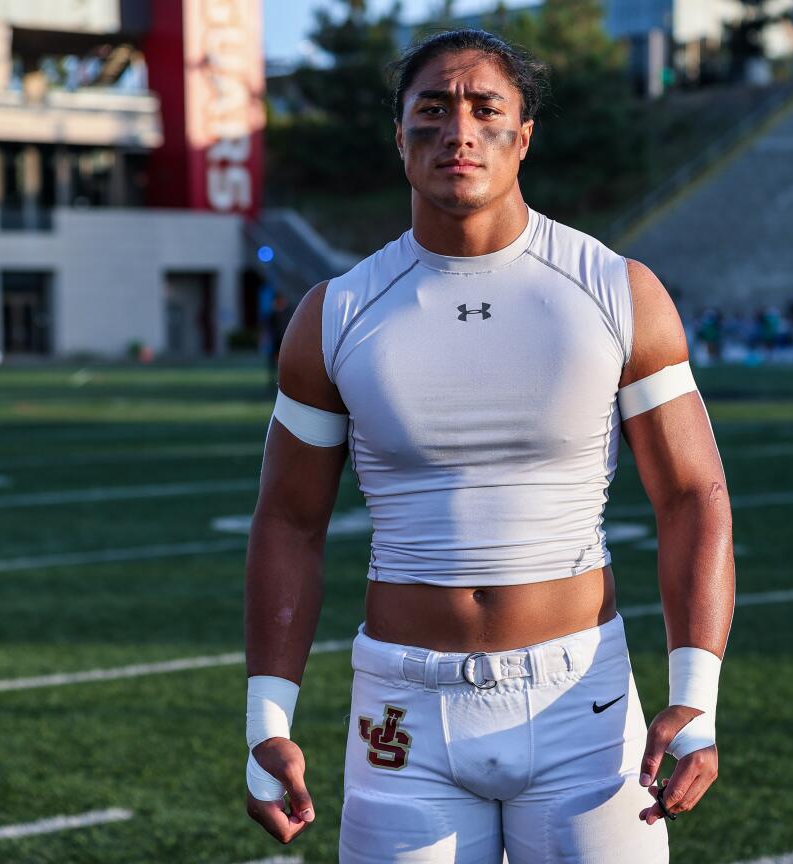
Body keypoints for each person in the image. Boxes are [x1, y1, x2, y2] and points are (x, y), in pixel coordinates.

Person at [242, 29, 735, 863]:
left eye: (484, 109)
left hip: (581, 700)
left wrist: (698, 695)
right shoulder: (336, 313)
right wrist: (265, 720)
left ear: (523, 134)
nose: (457, 132)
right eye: (430, 111)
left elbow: (695, 495)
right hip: (401, 709)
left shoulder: (616, 290)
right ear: (399, 137)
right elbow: (288, 522)